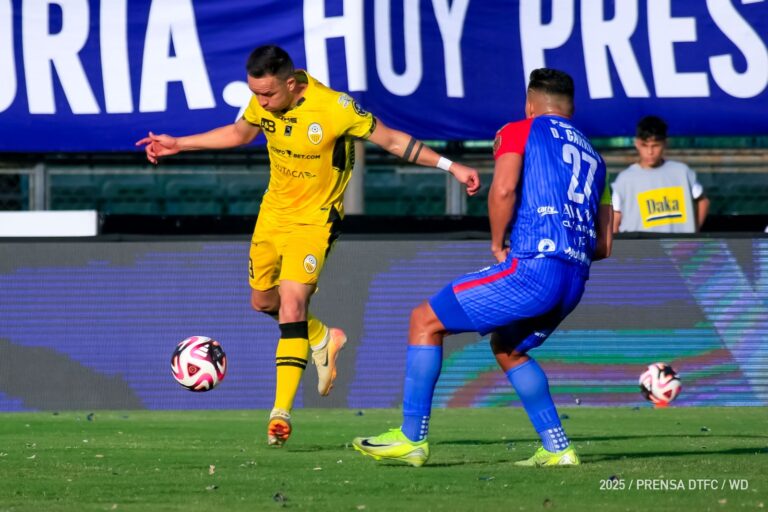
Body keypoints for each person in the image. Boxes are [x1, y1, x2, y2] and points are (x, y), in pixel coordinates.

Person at [136, 45, 480, 447]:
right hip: (272, 216)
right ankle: (321, 336)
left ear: (291, 82)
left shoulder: (335, 107)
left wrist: (451, 166)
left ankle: (280, 413)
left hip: (315, 220)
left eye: (268, 94)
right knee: (263, 302)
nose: (262, 102)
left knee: (292, 304)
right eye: (256, 94)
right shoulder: (264, 101)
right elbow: (240, 132)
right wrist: (179, 143)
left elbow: (392, 141)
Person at [352, 68, 613, 467]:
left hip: (535, 267)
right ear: (571, 108)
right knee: (508, 348)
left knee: (424, 320)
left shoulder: (520, 129)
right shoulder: (597, 160)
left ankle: (411, 437)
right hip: (574, 279)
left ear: (529, 105)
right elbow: (604, 245)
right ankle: (558, 448)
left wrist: (497, 243)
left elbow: (503, 189)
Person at [611, 115, 709, 233]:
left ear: (665, 143)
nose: (650, 152)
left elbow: (703, 201)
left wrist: (693, 234)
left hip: (680, 244)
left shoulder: (682, 172)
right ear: (636, 143)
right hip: (639, 245)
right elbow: (615, 217)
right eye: (644, 145)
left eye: (655, 145)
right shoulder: (624, 179)